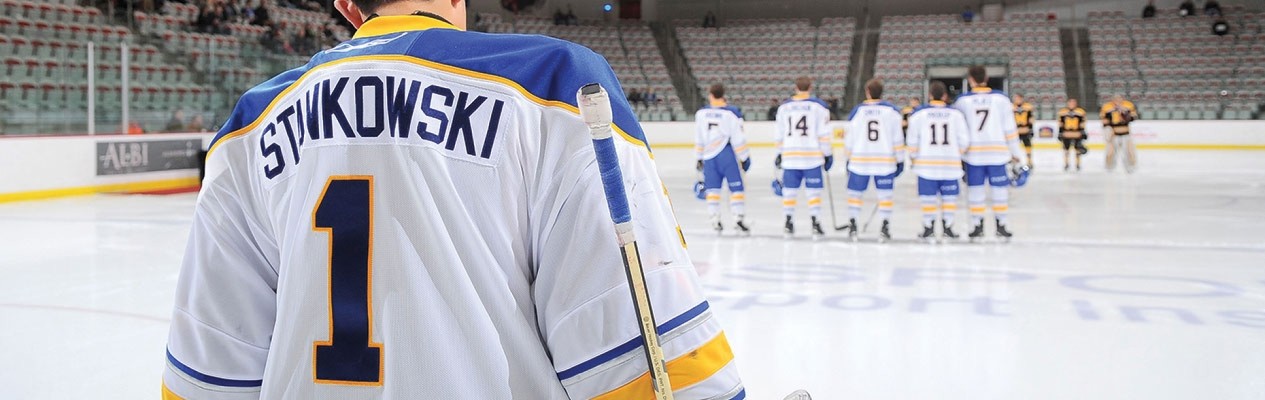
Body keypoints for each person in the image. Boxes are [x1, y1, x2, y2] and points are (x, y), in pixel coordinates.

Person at [160, 1, 743, 398]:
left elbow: (208, 376)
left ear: (345, 5)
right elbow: (645, 363)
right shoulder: (557, 84)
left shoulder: (247, 126)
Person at [952, 65, 1026, 241]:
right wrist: (1019, 156)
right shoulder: (1001, 100)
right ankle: (1002, 225)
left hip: (973, 155)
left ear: (970, 79)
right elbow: (1010, 130)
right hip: (998, 154)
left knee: (975, 191)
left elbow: (959, 131)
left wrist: (958, 155)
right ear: (986, 78)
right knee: (1000, 191)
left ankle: (977, 226)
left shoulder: (962, 101)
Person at [842, 78, 905, 241]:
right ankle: (884, 226)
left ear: (867, 92)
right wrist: (900, 160)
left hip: (860, 161)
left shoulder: (858, 111)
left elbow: (849, 139)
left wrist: (848, 158)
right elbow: (897, 139)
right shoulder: (892, 112)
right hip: (884, 161)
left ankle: (853, 225)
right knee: (885, 196)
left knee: (855, 194)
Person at [907, 81, 970, 242]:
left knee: (928, 197)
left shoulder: (918, 115)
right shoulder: (956, 115)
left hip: (926, 165)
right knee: (949, 197)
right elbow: (965, 141)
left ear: (929, 95)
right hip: (950, 165)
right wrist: (956, 155)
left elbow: (912, 143)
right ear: (944, 96)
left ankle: (929, 227)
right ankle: (948, 227)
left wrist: (914, 158)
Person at [775, 76, 833, 238]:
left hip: (790, 155)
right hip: (812, 156)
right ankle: (815, 222)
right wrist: (827, 154)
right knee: (813, 192)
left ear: (796, 88)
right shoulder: (819, 107)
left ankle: (788, 221)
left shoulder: (784, 108)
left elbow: (779, 134)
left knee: (789, 191)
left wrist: (779, 153)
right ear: (810, 87)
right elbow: (823, 134)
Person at [695, 83, 751, 235]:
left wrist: (699, 157)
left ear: (711, 95)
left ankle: (715, 220)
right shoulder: (731, 113)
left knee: (713, 189)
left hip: (709, 156)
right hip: (727, 154)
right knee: (736, 188)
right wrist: (745, 157)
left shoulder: (701, 113)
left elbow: (699, 137)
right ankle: (738, 219)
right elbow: (738, 138)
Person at [1101, 94, 1139, 173]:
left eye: (1119, 99)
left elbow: (1133, 117)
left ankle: (1130, 166)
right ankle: (1109, 167)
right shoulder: (1107, 107)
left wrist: (1125, 114)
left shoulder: (1128, 105)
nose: (1118, 101)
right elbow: (1104, 121)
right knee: (1110, 152)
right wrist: (1108, 131)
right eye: (1116, 99)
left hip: (1126, 133)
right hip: (1114, 134)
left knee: (1129, 151)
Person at [1057, 98, 1087, 172]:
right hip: (1066, 133)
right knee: (1066, 150)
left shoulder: (1080, 111)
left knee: (1077, 149)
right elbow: (1060, 123)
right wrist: (1060, 132)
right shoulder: (1062, 112)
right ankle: (1066, 164)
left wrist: (1083, 132)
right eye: (1070, 103)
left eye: (1073, 103)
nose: (1072, 104)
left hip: (1076, 133)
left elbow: (1082, 123)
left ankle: (1078, 164)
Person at [1012, 93, 1035, 168]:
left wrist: (1031, 129)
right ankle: (1015, 163)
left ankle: (1029, 162)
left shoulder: (1027, 106)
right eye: (1016, 98)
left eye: (1018, 98)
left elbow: (1031, 119)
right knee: (1014, 148)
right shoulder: (1011, 107)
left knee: (1028, 146)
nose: (1017, 100)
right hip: (1015, 131)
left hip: (1025, 130)